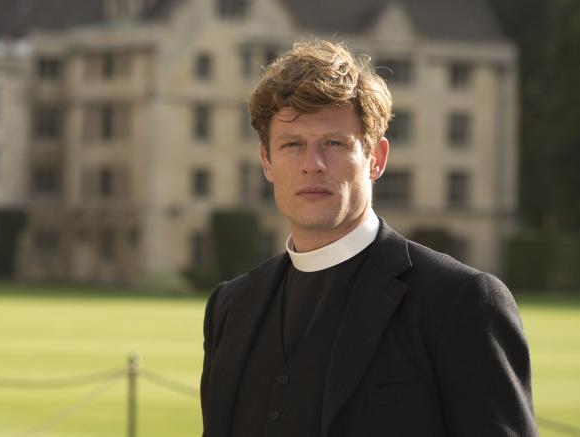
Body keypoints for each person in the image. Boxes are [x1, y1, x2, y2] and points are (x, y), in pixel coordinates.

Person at [200, 40, 536, 436]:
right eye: (293, 145)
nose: (313, 165)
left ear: (376, 159)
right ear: (267, 162)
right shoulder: (230, 306)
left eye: (334, 143)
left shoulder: (461, 301)